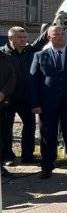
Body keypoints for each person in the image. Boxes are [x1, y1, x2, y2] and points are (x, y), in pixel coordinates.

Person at [29, 25, 67, 179]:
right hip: (47, 103)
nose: (61, 36)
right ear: (49, 37)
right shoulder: (40, 56)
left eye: (63, 34)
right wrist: (35, 104)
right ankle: (47, 167)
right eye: (56, 34)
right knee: (48, 135)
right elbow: (33, 81)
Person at [1, 25, 49, 166]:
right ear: (10, 38)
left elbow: (42, 39)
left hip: (26, 97)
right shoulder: (2, 53)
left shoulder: (31, 50)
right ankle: (7, 156)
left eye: (25, 37)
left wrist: (54, 24)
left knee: (29, 126)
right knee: (5, 128)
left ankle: (27, 156)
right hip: (8, 98)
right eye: (19, 37)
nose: (23, 40)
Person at [0, 53, 16, 179]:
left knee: (3, 134)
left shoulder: (4, 58)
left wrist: (3, 93)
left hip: (2, 101)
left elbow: (12, 78)